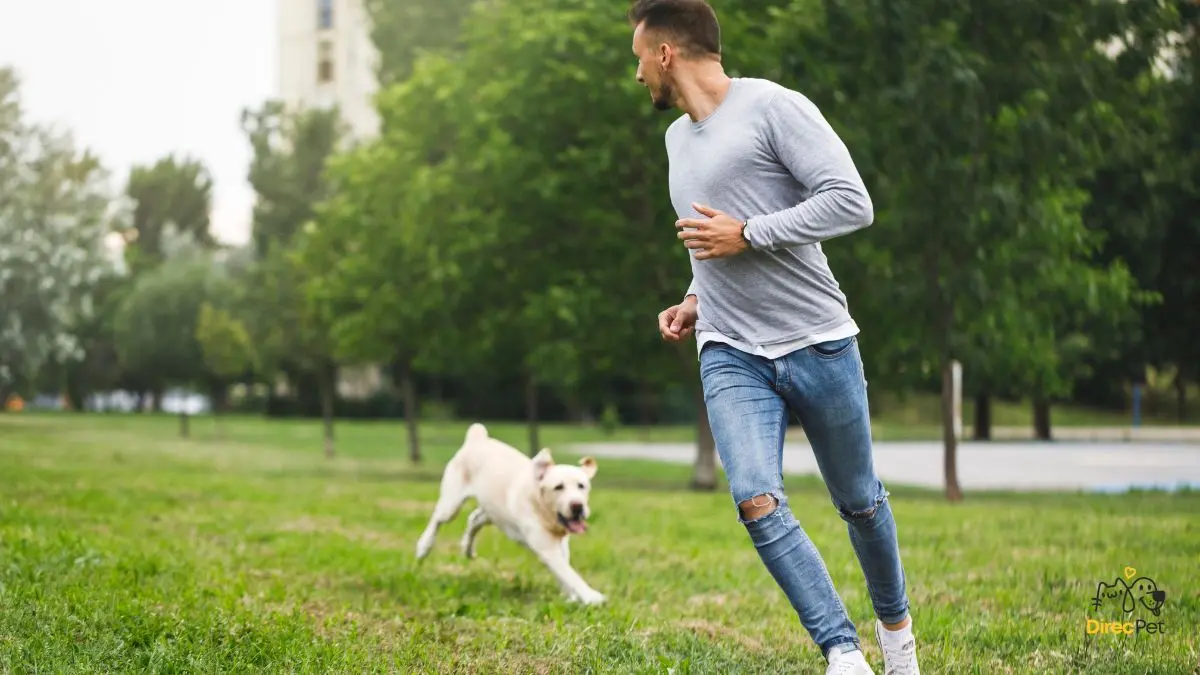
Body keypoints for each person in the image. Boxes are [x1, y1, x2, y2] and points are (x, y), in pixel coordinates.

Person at [629, 1, 921, 673]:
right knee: (756, 498)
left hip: (818, 339)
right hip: (730, 349)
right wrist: (694, 298)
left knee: (861, 502)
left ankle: (897, 640)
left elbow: (851, 202)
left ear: (666, 53)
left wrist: (751, 233)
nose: (638, 73)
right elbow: (712, 244)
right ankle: (842, 650)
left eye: (639, 58)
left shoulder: (773, 108)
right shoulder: (675, 141)